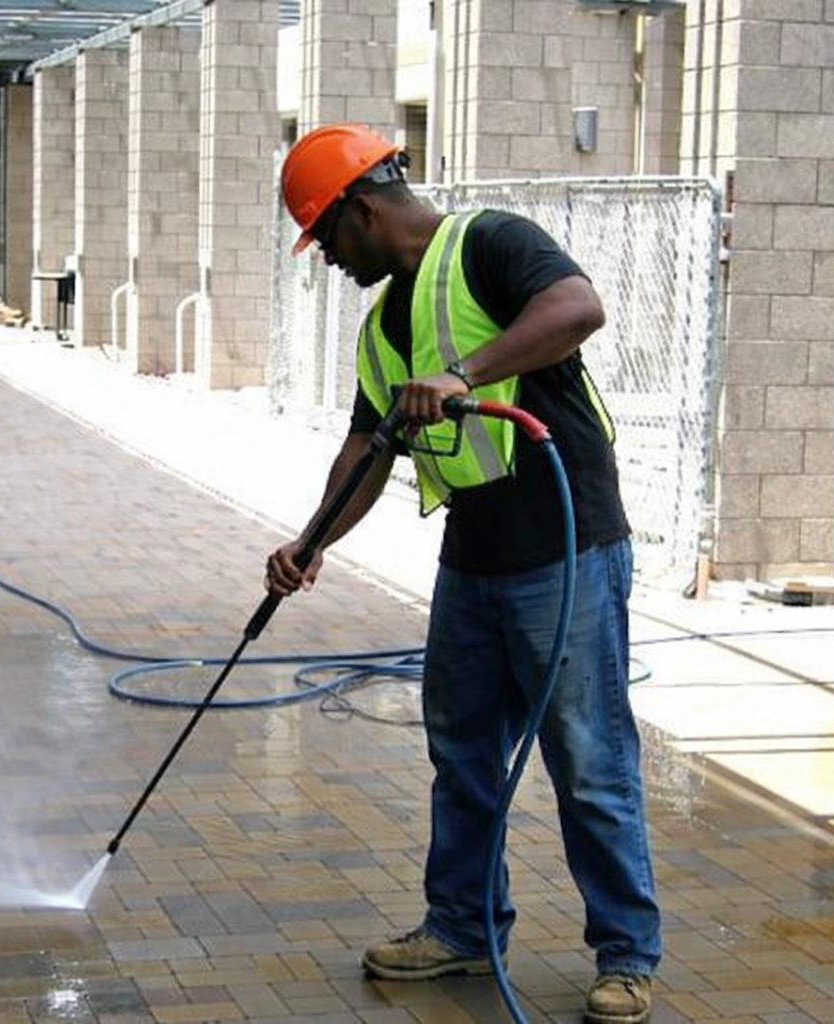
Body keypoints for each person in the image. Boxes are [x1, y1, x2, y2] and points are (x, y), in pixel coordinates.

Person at [265, 124, 661, 1024]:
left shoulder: (491, 241)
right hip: (472, 558)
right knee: (462, 753)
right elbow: (369, 443)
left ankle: (627, 955)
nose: (326, 258)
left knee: (589, 757)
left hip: (566, 547)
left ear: (363, 210)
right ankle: (463, 929)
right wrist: (312, 539)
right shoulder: (384, 323)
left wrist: (463, 371)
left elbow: (577, 308)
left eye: (326, 237)